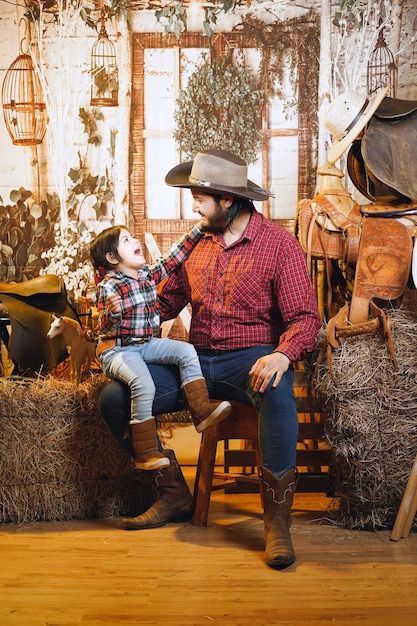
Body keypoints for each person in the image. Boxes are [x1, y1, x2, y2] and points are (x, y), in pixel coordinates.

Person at [99, 149, 322, 570]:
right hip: (195, 361)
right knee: (113, 398)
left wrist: (281, 354)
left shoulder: (278, 245)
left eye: (201, 196)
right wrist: (117, 303)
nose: (194, 204)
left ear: (228, 200)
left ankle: (276, 523)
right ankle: (174, 496)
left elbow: (306, 318)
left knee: (277, 390)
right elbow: (162, 304)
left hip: (250, 358)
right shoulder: (196, 244)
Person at [90, 223, 232, 471]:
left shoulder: (146, 275)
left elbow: (173, 257)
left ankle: (200, 411)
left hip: (145, 344)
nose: (135, 241)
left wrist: (199, 229)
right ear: (112, 257)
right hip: (119, 349)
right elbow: (103, 326)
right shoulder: (109, 286)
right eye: (126, 240)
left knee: (186, 352)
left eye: (133, 237)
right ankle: (145, 451)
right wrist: (112, 313)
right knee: (143, 384)